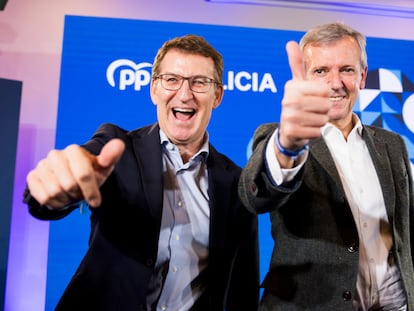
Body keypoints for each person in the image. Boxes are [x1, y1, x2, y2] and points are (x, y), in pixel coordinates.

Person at [24, 34, 260, 311]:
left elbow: (243, 284)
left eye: (199, 82)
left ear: (217, 96)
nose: (184, 94)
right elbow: (63, 182)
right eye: (172, 79)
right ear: (154, 90)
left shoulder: (235, 181)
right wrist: (57, 192)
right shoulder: (117, 148)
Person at [238, 22, 414, 310]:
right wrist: (286, 147)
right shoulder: (280, 137)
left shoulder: (392, 144)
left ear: (362, 76)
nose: (335, 83)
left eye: (346, 69)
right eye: (321, 71)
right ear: (305, 78)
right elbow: (255, 195)